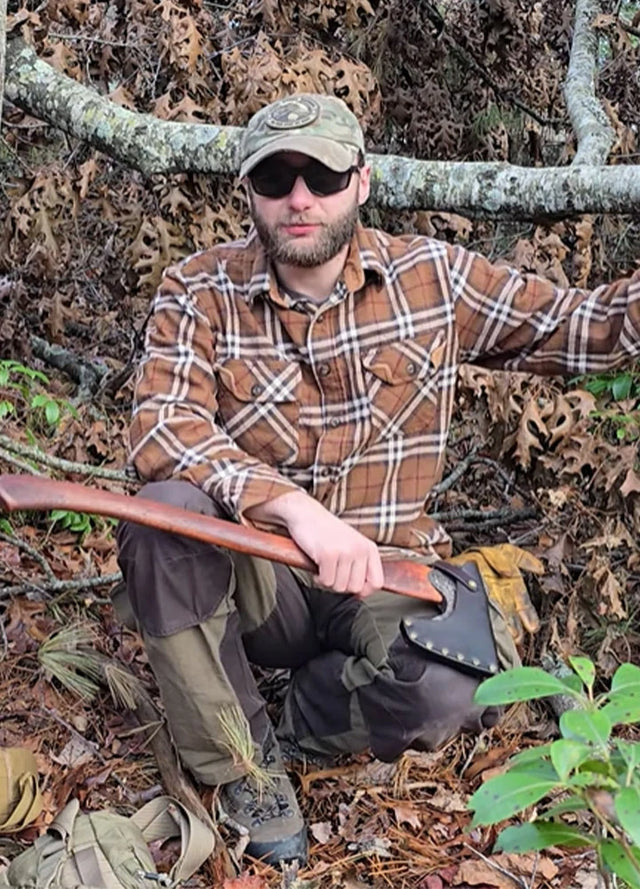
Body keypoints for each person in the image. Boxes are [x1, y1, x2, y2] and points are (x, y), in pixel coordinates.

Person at [116, 93, 640, 866]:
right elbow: (161, 428)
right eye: (276, 176)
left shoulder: (433, 277)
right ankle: (242, 764)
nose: (300, 198)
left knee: (447, 690)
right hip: (264, 576)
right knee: (165, 514)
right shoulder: (199, 289)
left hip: (387, 571)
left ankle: (289, 716)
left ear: (361, 181)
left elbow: (582, 329)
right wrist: (291, 507)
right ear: (248, 190)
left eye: (322, 175)